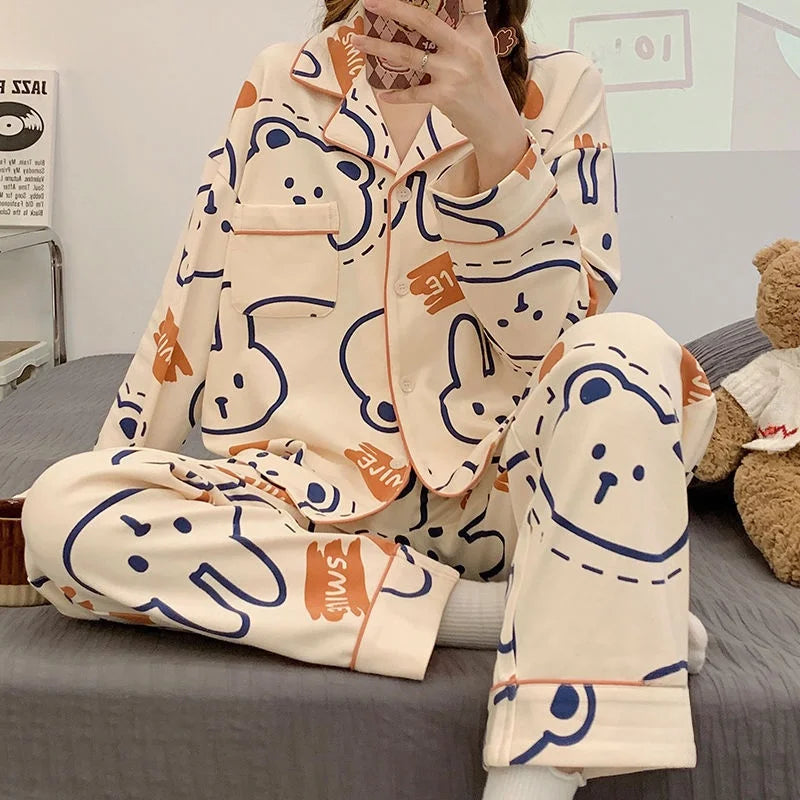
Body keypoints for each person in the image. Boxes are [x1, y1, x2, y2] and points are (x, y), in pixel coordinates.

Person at [19, 0, 717, 796]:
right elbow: (192, 289)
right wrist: (122, 472)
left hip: (501, 499)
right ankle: (549, 612)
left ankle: (537, 771)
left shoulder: (563, 88)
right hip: (303, 501)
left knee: (631, 349)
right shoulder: (284, 80)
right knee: (62, 511)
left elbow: (556, 337)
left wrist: (498, 139)